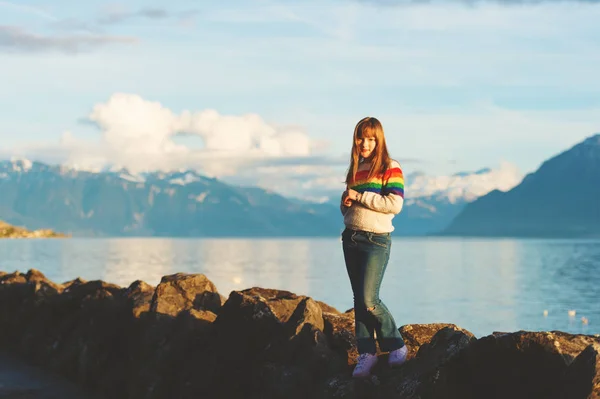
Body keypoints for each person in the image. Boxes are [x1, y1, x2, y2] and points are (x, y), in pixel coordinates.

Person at [340, 116, 408, 378]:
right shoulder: (355, 168)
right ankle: (366, 353)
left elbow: (394, 204)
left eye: (370, 139)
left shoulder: (391, 166)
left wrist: (359, 196)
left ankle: (396, 344)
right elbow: (352, 207)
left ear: (379, 140)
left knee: (369, 299)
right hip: (351, 237)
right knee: (359, 300)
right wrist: (345, 203)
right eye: (360, 137)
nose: (364, 143)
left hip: (376, 240)